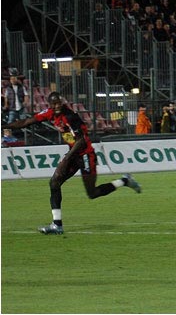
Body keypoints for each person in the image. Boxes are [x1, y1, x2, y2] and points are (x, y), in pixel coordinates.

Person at [3, 92, 141, 234]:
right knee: (54, 183)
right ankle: (57, 225)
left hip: (86, 154)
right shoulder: (50, 113)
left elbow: (81, 141)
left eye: (58, 103)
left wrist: (66, 159)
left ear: (61, 103)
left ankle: (125, 181)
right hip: (73, 155)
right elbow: (26, 122)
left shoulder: (70, 117)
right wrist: (4, 126)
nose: (56, 106)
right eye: (53, 104)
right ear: (49, 105)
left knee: (92, 193)